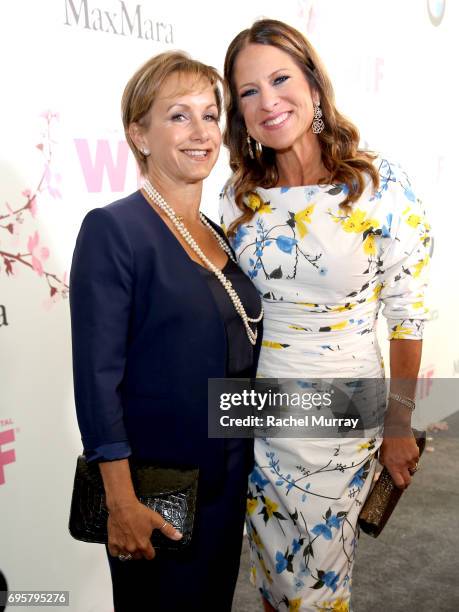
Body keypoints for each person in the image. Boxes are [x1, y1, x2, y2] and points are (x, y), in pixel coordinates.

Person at [220, 19, 430, 612]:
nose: (268, 100)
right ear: (238, 111)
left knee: (315, 590)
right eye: (248, 91)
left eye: (281, 78)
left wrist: (399, 420)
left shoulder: (376, 184)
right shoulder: (239, 196)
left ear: (313, 85)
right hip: (258, 418)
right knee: (269, 580)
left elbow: (408, 313)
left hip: (341, 418)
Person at [69, 51, 263, 612]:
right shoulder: (115, 230)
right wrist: (121, 501)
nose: (201, 132)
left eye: (210, 114)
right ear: (140, 134)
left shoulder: (217, 233)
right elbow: (96, 378)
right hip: (157, 496)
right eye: (179, 116)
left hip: (226, 491)